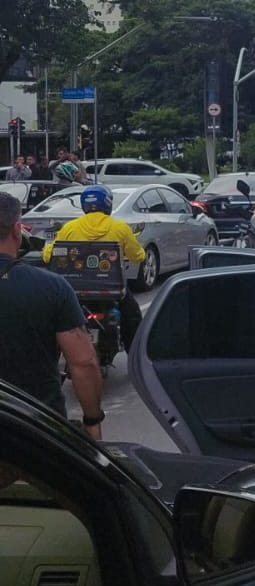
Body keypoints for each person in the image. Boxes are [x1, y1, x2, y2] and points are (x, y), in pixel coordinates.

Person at [0, 191, 104, 437]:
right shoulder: (52, 287)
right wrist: (92, 420)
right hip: (36, 429)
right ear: (17, 230)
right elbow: (83, 363)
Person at [42, 184, 145, 351]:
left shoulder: (70, 227)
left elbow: (49, 255)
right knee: (132, 316)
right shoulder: (120, 228)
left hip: (74, 289)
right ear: (108, 204)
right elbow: (138, 256)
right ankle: (134, 355)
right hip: (111, 290)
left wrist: (46, 248)